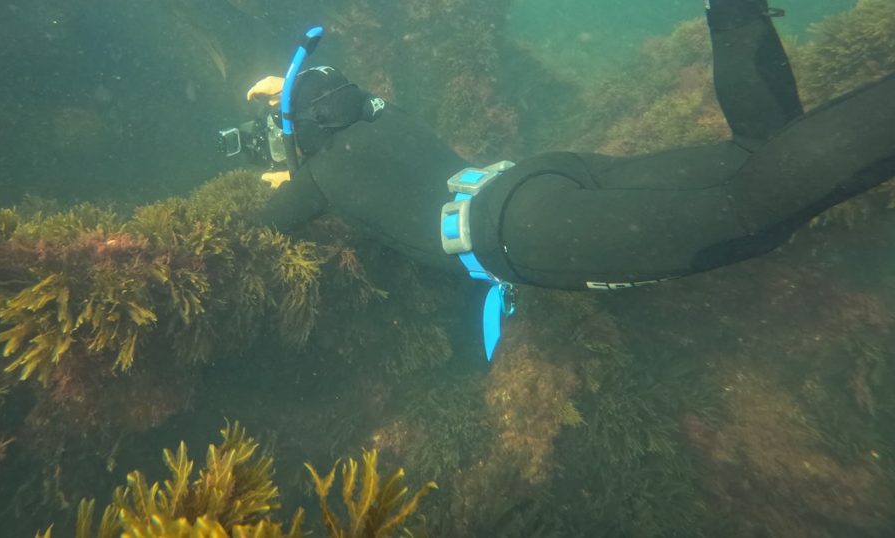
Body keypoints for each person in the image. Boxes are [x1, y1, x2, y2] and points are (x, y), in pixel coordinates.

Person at [249, 0, 895, 358]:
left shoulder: (322, 176)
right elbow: (331, 105)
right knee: (754, 153)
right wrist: (296, 99)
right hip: (543, 179)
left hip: (523, 234)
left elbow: (254, 229)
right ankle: (732, 10)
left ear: (300, 131)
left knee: (749, 214)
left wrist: (282, 178)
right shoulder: (385, 116)